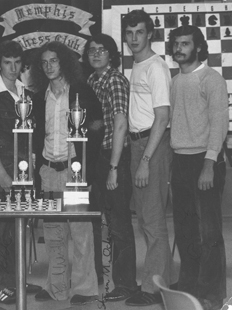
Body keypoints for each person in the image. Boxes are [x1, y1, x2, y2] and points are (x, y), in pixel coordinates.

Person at [29, 41, 103, 306]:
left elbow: (96, 130)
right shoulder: (38, 98)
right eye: (44, 62)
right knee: (52, 233)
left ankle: (84, 287)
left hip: (75, 171)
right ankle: (56, 285)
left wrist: (89, 175)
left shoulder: (81, 91)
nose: (49, 66)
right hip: (48, 170)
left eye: (54, 61)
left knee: (81, 230)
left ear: (65, 63)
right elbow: (38, 137)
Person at [168, 25, 228, 310]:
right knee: (186, 230)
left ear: (198, 47)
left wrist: (209, 163)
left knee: (209, 233)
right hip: (180, 160)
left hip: (206, 161)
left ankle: (213, 295)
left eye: (186, 44)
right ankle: (189, 287)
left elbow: (219, 124)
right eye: (176, 43)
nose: (180, 48)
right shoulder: (176, 80)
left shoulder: (212, 79)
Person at [0, 40, 41, 304]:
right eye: (7, 62)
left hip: (25, 172)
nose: (13, 68)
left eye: (17, 62)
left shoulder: (25, 93)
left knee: (19, 229)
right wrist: (2, 174)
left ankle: (15, 281)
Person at [121, 10, 176, 306]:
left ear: (149, 34)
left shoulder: (155, 67)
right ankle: (155, 281)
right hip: (136, 144)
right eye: (129, 33)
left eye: (139, 32)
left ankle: (154, 290)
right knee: (144, 220)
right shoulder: (136, 64)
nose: (133, 39)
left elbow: (163, 116)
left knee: (153, 222)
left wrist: (145, 160)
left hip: (150, 147)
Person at [83, 34, 137, 301]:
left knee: (119, 224)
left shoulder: (115, 80)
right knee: (95, 219)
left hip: (113, 157)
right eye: (91, 50)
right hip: (96, 158)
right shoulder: (91, 81)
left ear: (111, 55)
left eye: (102, 50)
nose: (96, 54)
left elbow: (120, 124)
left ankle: (126, 284)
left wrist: (114, 167)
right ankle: (98, 280)